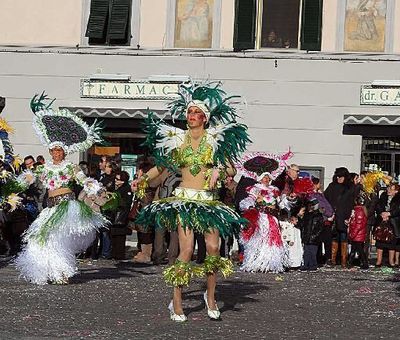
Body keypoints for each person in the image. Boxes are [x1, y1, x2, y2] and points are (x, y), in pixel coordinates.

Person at [133, 82, 249, 322]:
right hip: (185, 202)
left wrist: (219, 168)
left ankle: (211, 295)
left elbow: (230, 170)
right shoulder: (178, 140)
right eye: (189, 112)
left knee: (214, 249)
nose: (192, 116)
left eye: (197, 113)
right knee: (185, 251)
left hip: (208, 203)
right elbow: (160, 167)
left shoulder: (215, 140)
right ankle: (176, 301)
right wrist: (142, 179)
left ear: (205, 118)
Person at [15, 93, 108, 284]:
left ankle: (62, 272)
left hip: (66, 207)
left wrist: (95, 188)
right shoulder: (43, 168)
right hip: (50, 208)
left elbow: (84, 180)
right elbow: (29, 178)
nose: (56, 153)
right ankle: (48, 270)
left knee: (59, 240)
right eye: (53, 150)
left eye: (59, 150)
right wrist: (15, 185)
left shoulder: (70, 167)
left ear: (64, 152)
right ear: (50, 151)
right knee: (41, 240)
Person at [235, 151, 292, 273]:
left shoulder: (275, 190)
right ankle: (256, 263)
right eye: (264, 177)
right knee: (259, 240)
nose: (266, 179)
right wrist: (249, 206)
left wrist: (288, 200)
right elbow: (248, 200)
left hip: (272, 219)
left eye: (268, 177)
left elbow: (281, 204)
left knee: (271, 242)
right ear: (260, 179)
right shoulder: (255, 189)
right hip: (261, 218)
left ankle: (271, 264)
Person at [324, 167, 356, 268]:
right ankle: (333, 260)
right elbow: (326, 199)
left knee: (343, 238)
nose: (338, 178)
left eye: (341, 176)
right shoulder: (332, 186)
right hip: (334, 216)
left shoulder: (350, 187)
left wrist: (349, 216)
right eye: (337, 176)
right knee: (334, 237)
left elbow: (352, 203)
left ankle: (343, 260)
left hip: (344, 216)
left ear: (345, 177)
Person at [374, 183, 400, 267]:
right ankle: (378, 261)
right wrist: (382, 213)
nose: (389, 190)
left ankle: (391, 261)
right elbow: (378, 206)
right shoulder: (383, 196)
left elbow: (398, 210)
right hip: (382, 221)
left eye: (391, 189)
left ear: (396, 191)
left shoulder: (398, 198)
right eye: (388, 188)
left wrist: (389, 214)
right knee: (380, 242)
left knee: (392, 243)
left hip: (393, 222)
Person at [298, 198, 324, 271]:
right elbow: (302, 225)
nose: (310, 207)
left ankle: (313, 265)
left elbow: (320, 228)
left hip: (314, 238)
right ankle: (306, 265)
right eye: (309, 205)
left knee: (312, 252)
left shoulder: (318, 216)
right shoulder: (307, 215)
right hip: (307, 236)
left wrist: (315, 236)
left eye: (312, 205)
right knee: (306, 252)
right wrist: (299, 218)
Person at [347, 196, 369, 269]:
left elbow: (359, 225)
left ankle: (364, 263)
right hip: (357, 233)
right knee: (355, 248)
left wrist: (353, 234)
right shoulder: (358, 210)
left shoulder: (359, 211)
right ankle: (350, 262)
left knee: (359, 249)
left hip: (357, 234)